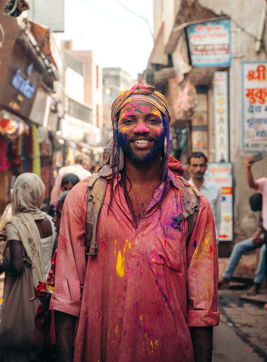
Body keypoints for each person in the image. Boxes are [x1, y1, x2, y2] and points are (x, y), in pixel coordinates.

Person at [50, 84, 219, 362]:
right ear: (116, 130)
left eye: (152, 120)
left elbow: (202, 309)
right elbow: (66, 298)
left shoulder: (193, 206)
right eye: (130, 120)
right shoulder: (85, 199)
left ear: (165, 129)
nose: (141, 128)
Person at [0, 173, 56, 361]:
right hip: (46, 292)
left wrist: (2, 263)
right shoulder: (50, 221)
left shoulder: (15, 223)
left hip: (25, 296)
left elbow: (16, 266)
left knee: (17, 346)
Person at [33, 191, 69, 362]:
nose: (54, 220)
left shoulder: (74, 252)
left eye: (59, 216)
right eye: (55, 215)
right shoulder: (61, 246)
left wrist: (51, 293)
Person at [218, 193, 266, 295]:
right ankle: (226, 278)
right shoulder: (260, 212)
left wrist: (262, 240)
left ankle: (256, 285)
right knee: (238, 246)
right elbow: (261, 228)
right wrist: (255, 237)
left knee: (264, 250)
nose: (258, 211)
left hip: (265, 241)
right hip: (262, 238)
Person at [187, 152, 221, 243]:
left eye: (201, 165)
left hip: (209, 240)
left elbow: (217, 217)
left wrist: (216, 238)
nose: (198, 169)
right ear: (188, 167)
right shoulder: (183, 190)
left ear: (206, 167)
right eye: (195, 165)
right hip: (188, 241)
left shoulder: (215, 189)